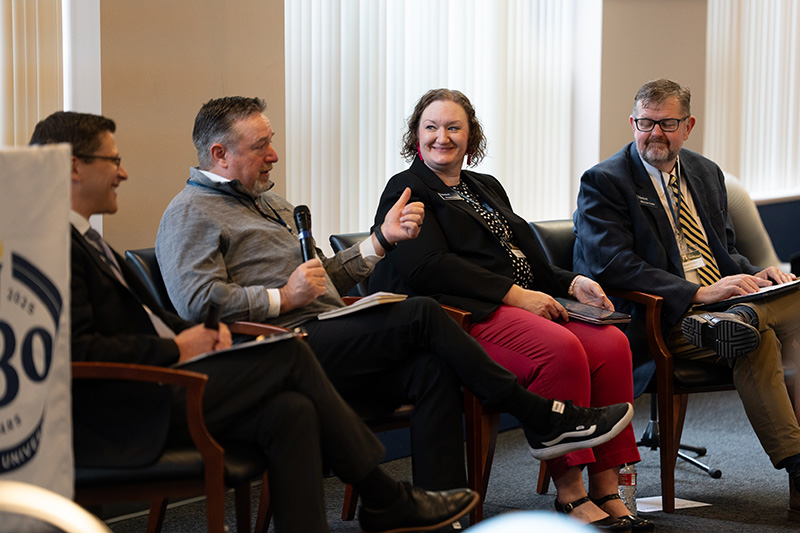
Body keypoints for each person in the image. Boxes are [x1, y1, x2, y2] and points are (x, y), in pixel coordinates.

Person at [155, 96, 634, 497]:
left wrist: (381, 241)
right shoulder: (190, 212)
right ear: (219, 154)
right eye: (262, 146)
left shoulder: (273, 204)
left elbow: (325, 281)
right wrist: (282, 297)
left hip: (324, 332)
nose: (274, 155)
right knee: (421, 312)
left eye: (271, 142)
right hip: (275, 347)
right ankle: (537, 414)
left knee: (431, 369)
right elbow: (197, 303)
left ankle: (441, 509)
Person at [30, 110, 481, 533]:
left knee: (295, 410)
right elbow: (83, 348)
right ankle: (385, 494)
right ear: (73, 167)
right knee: (335, 338)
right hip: (137, 402)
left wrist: (380, 240)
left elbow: (153, 318)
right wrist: (182, 345)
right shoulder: (56, 246)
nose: (123, 173)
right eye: (113, 161)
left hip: (218, 361)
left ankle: (411, 512)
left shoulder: (89, 240)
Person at [369, 89, 650, 532]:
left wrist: (570, 282)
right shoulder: (407, 188)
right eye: (431, 127)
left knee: (612, 345)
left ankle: (607, 488)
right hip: (463, 317)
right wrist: (514, 295)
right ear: (416, 136)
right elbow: (427, 267)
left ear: (471, 135)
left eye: (454, 127)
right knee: (560, 349)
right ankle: (572, 495)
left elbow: (523, 257)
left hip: (517, 304)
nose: (442, 137)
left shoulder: (484, 186)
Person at [572, 78, 800, 521]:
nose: (655, 133)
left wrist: (757, 274)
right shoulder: (605, 181)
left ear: (689, 126)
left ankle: (743, 316)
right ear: (633, 122)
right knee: (759, 339)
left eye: (667, 123)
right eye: (646, 123)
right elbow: (612, 265)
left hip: (722, 312)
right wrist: (697, 293)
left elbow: (725, 252)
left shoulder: (705, 172)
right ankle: (798, 467)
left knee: (771, 311)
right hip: (666, 316)